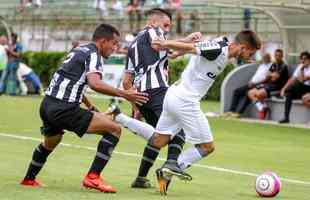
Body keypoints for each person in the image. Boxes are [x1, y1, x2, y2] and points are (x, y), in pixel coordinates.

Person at [111, 30, 261, 195]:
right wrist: (166, 44)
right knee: (207, 147)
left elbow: (195, 48)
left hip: (173, 95)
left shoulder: (222, 44)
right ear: (242, 47)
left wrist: (176, 54)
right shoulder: (218, 49)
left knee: (158, 140)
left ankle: (119, 117)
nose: (250, 57)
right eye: (250, 53)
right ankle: (172, 166)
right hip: (185, 100)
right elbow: (193, 48)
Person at [19, 24, 149, 193]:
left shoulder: (78, 50)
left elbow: (71, 80)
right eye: (114, 43)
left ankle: (29, 179)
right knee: (114, 129)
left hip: (47, 105)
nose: (116, 47)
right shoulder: (94, 54)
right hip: (64, 109)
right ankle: (93, 177)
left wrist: (88, 105)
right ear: (103, 41)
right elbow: (95, 83)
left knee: (51, 142)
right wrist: (125, 94)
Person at [123, 8, 200, 188]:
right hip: (158, 90)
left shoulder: (133, 44)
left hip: (142, 96)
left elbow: (127, 81)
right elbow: (160, 44)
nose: (166, 30)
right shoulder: (153, 32)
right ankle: (172, 163)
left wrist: (135, 104)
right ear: (153, 22)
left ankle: (141, 178)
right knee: (179, 127)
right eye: (165, 25)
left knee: (160, 137)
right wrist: (188, 41)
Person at [247, 49, 289, 119]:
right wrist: (272, 75)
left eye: (279, 55)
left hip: (277, 87)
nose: (277, 57)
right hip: (269, 85)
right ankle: (262, 108)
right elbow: (268, 75)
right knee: (250, 93)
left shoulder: (284, 66)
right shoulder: (274, 64)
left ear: (282, 56)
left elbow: (276, 77)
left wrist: (272, 75)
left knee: (259, 94)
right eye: (276, 55)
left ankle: (263, 108)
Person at [279, 51, 310, 123]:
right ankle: (286, 118)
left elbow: (303, 80)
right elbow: (292, 79)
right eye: (302, 59)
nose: (303, 61)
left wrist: (302, 70)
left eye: (305, 59)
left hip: (308, 88)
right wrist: (283, 89)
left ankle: (289, 90)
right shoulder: (300, 66)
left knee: (297, 84)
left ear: (309, 59)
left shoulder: (303, 67)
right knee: (289, 94)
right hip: (302, 89)